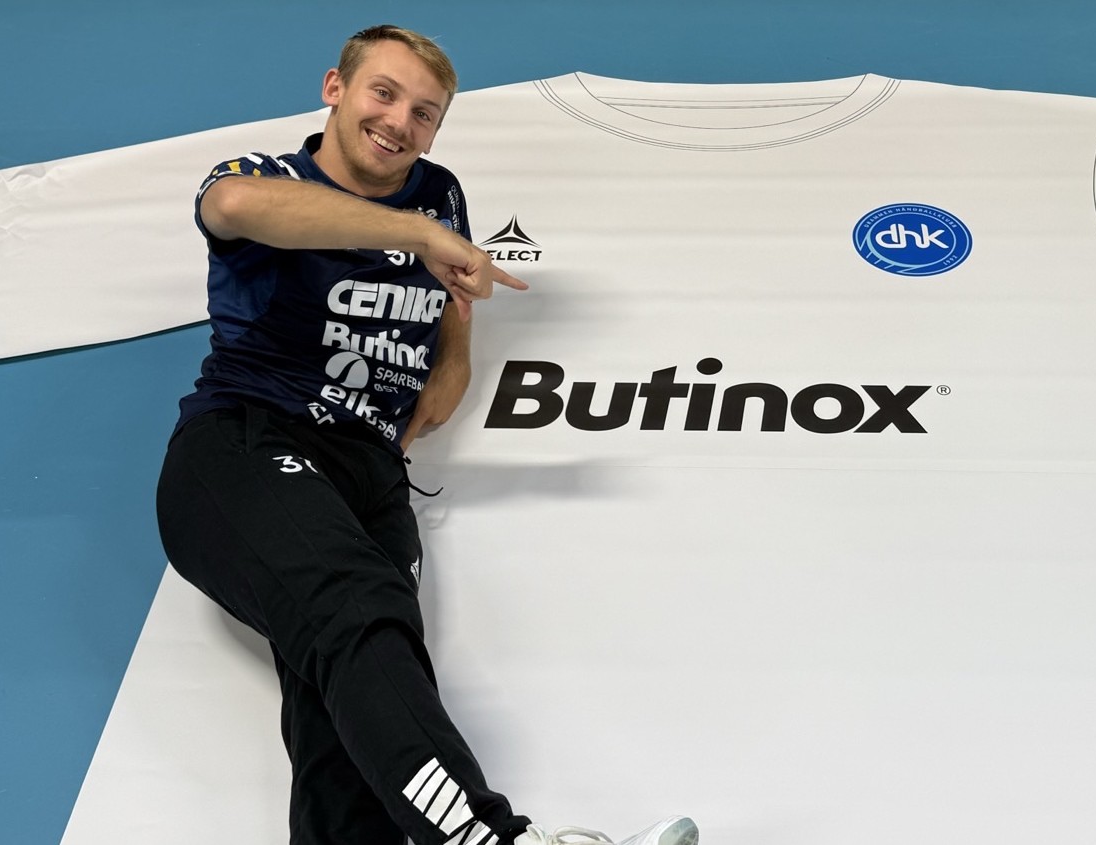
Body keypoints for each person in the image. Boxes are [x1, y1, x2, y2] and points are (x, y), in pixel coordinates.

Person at [155, 24, 697, 845]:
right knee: (357, 613)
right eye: (384, 93)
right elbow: (230, 208)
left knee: (352, 703)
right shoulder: (270, 178)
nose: (400, 122)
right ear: (335, 87)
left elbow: (449, 300)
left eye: (424, 113)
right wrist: (415, 233)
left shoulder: (438, 192)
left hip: (371, 476)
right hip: (247, 446)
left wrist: (456, 355)